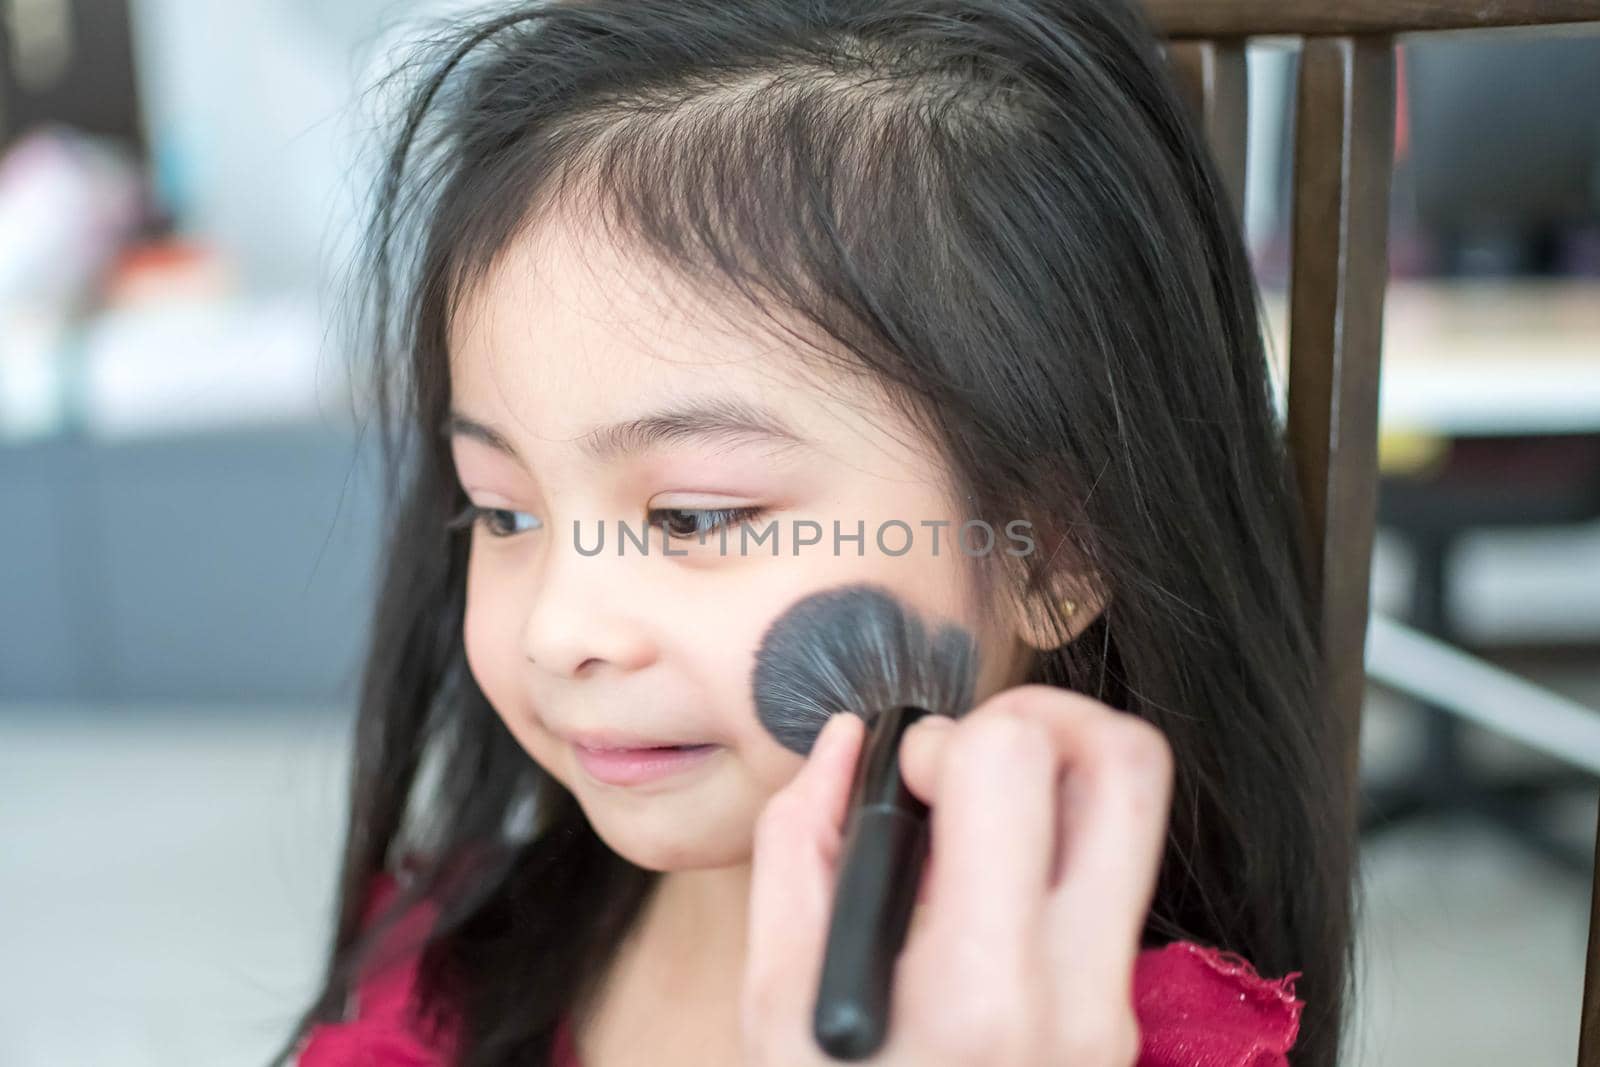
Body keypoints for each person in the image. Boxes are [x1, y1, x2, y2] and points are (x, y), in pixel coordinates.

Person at [272, 1, 1350, 1064]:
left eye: (695, 515)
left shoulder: (1143, 1041)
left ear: (1052, 549)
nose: (558, 629)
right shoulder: (444, 965)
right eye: (502, 509)